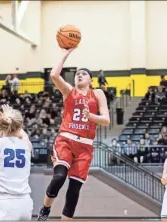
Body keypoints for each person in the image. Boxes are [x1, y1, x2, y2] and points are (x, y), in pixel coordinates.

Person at [37, 48, 110, 221]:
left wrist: (90, 116)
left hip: (85, 145)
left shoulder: (97, 93)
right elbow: (55, 75)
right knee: (60, 176)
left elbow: (106, 120)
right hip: (66, 140)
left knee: (74, 190)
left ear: (91, 80)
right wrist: (65, 54)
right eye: (77, 73)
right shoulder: (69, 91)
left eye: (84, 74)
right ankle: (45, 209)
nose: (79, 75)